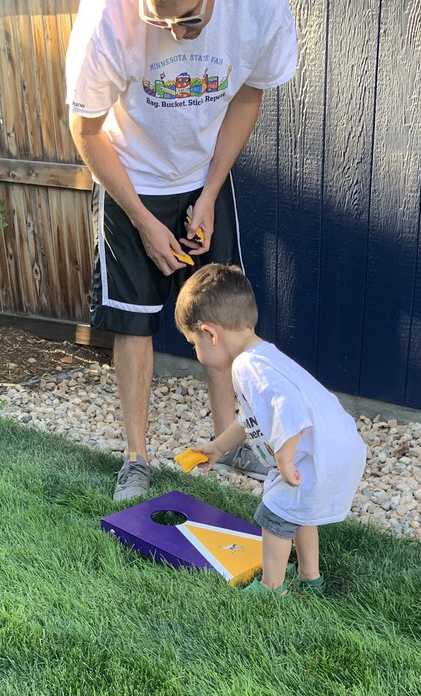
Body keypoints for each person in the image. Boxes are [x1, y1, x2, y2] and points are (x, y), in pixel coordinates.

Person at [65, 0, 298, 500]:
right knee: (133, 322)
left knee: (223, 317)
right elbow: (85, 130)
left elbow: (247, 96)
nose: (175, 31)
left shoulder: (261, 10)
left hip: (202, 177)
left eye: (189, 17)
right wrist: (144, 222)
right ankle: (135, 458)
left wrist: (210, 192)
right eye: (158, 19)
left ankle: (229, 441)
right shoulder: (105, 20)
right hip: (130, 178)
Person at [175, 264, 367, 597]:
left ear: (210, 334)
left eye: (194, 343)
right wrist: (219, 447)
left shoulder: (248, 366)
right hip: (337, 450)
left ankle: (272, 589)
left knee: (274, 515)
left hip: (312, 456)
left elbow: (288, 410)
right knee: (301, 512)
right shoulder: (264, 357)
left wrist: (283, 459)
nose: (197, 352)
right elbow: (252, 420)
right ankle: (311, 578)